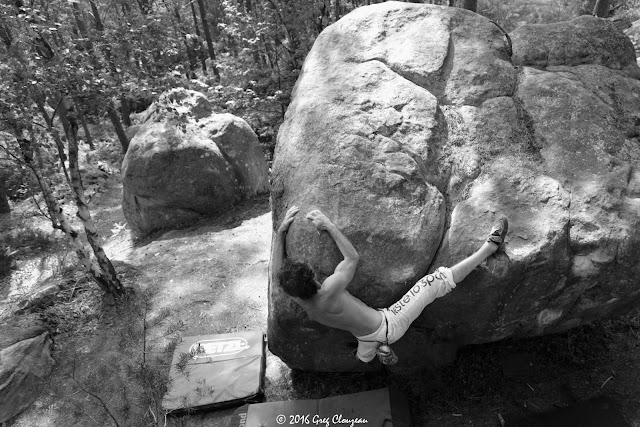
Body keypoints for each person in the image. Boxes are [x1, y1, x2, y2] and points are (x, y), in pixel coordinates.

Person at [271, 206, 508, 363]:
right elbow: (352, 258)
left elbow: (276, 271)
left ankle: (375, 351)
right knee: (433, 283)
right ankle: (489, 249)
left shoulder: (301, 300)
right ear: (313, 277)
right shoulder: (330, 288)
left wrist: (281, 232)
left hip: (364, 336)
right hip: (389, 324)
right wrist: (329, 225)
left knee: (364, 356)